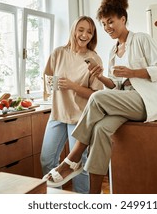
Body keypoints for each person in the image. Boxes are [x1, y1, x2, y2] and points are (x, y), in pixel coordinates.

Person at [43, 0, 157, 193]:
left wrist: (132, 72)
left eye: (110, 22)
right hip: (125, 100)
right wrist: (101, 77)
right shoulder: (113, 52)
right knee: (101, 129)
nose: (107, 27)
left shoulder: (141, 39)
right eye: (103, 24)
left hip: (145, 101)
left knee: (96, 96)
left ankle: (72, 159)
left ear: (123, 19)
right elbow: (116, 88)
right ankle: (94, 197)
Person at [40, 16, 104, 194]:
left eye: (90, 32)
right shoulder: (58, 53)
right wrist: (54, 87)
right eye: (81, 30)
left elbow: (96, 95)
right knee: (47, 160)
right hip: (57, 114)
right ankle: (57, 198)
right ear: (74, 30)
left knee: (78, 164)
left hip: (80, 118)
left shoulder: (94, 59)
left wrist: (72, 86)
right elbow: (47, 79)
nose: (85, 35)